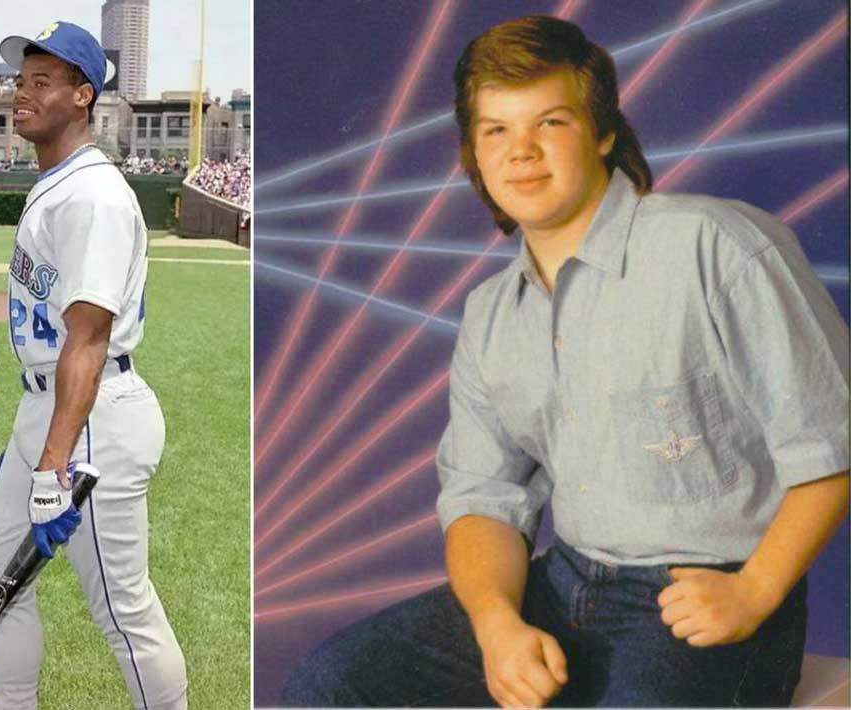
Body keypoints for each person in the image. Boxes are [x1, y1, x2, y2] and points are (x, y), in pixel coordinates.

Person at [282, 15, 849, 708]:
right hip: (565, 584)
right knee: (329, 684)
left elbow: (832, 439)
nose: (521, 151)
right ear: (474, 154)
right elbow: (483, 498)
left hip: (705, 597)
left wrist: (755, 591)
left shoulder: (715, 246)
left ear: (603, 132)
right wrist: (496, 627)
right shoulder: (492, 314)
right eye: (496, 130)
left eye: (550, 122)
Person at [0, 21, 188, 710]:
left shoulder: (93, 195)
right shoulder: (60, 183)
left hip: (92, 418)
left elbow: (88, 339)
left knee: (121, 607)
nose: (22, 94)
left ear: (82, 96)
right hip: (56, 408)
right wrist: (32, 439)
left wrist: (52, 461)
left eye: (42, 82)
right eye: (20, 81)